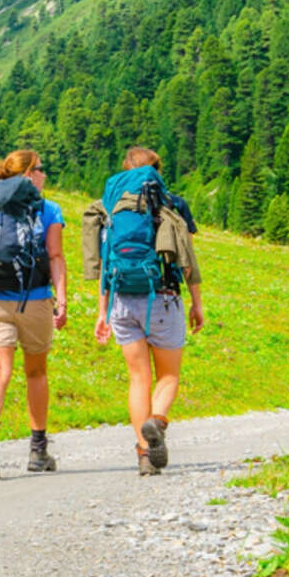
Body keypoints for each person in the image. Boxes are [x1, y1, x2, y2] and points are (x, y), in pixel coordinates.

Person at [89, 147, 204, 475]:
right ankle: (157, 422)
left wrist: (102, 312)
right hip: (163, 297)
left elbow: (105, 262)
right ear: (156, 170)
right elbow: (187, 259)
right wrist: (197, 304)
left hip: (122, 300)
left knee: (138, 378)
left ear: (126, 169)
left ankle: (143, 455)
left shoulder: (111, 207)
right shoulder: (171, 202)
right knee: (168, 375)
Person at [0, 149, 68, 479]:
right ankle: (38, 451)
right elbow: (55, 256)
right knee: (36, 373)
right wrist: (63, 299)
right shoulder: (49, 209)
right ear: (29, 175)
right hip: (35, 299)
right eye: (41, 169)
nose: (44, 175)